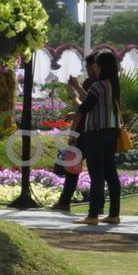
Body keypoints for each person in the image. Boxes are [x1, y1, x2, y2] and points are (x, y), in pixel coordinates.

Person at [75, 51, 123, 226]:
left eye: (95, 63)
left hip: (96, 133)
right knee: (111, 173)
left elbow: (85, 107)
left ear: (100, 66)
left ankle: (93, 214)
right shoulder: (113, 85)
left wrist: (74, 98)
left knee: (96, 174)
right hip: (111, 132)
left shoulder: (98, 86)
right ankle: (114, 214)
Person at [50, 76, 88, 212]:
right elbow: (84, 109)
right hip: (91, 132)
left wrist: (73, 91)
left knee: (72, 169)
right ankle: (98, 206)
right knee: (98, 170)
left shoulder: (97, 84)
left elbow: (85, 105)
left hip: (85, 133)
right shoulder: (104, 83)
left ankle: (64, 202)